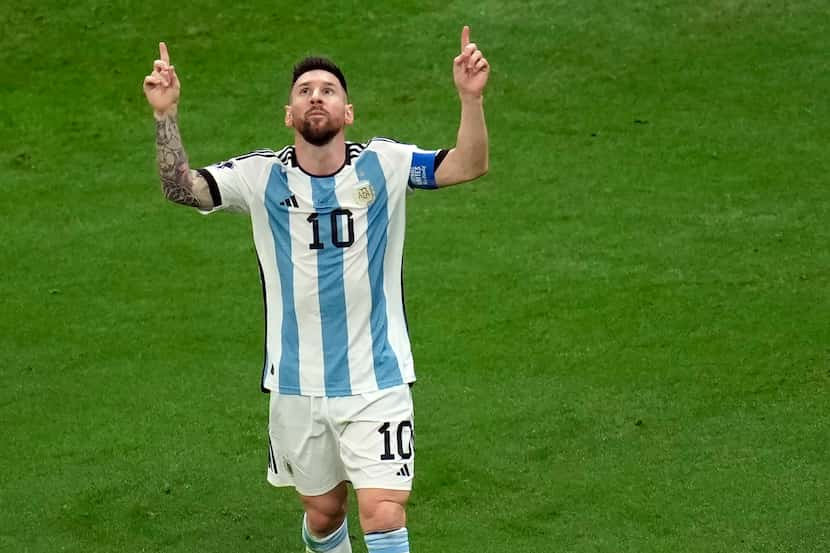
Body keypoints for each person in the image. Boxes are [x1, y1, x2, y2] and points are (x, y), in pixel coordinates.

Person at [142, 25, 489, 553]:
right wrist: (165, 114)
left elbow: (469, 164)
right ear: (289, 115)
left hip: (379, 377)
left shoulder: (386, 164)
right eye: (304, 91)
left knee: (384, 512)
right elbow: (179, 189)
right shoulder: (260, 177)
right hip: (296, 386)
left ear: (348, 112)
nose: (316, 96)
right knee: (325, 515)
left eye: (328, 89)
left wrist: (471, 99)